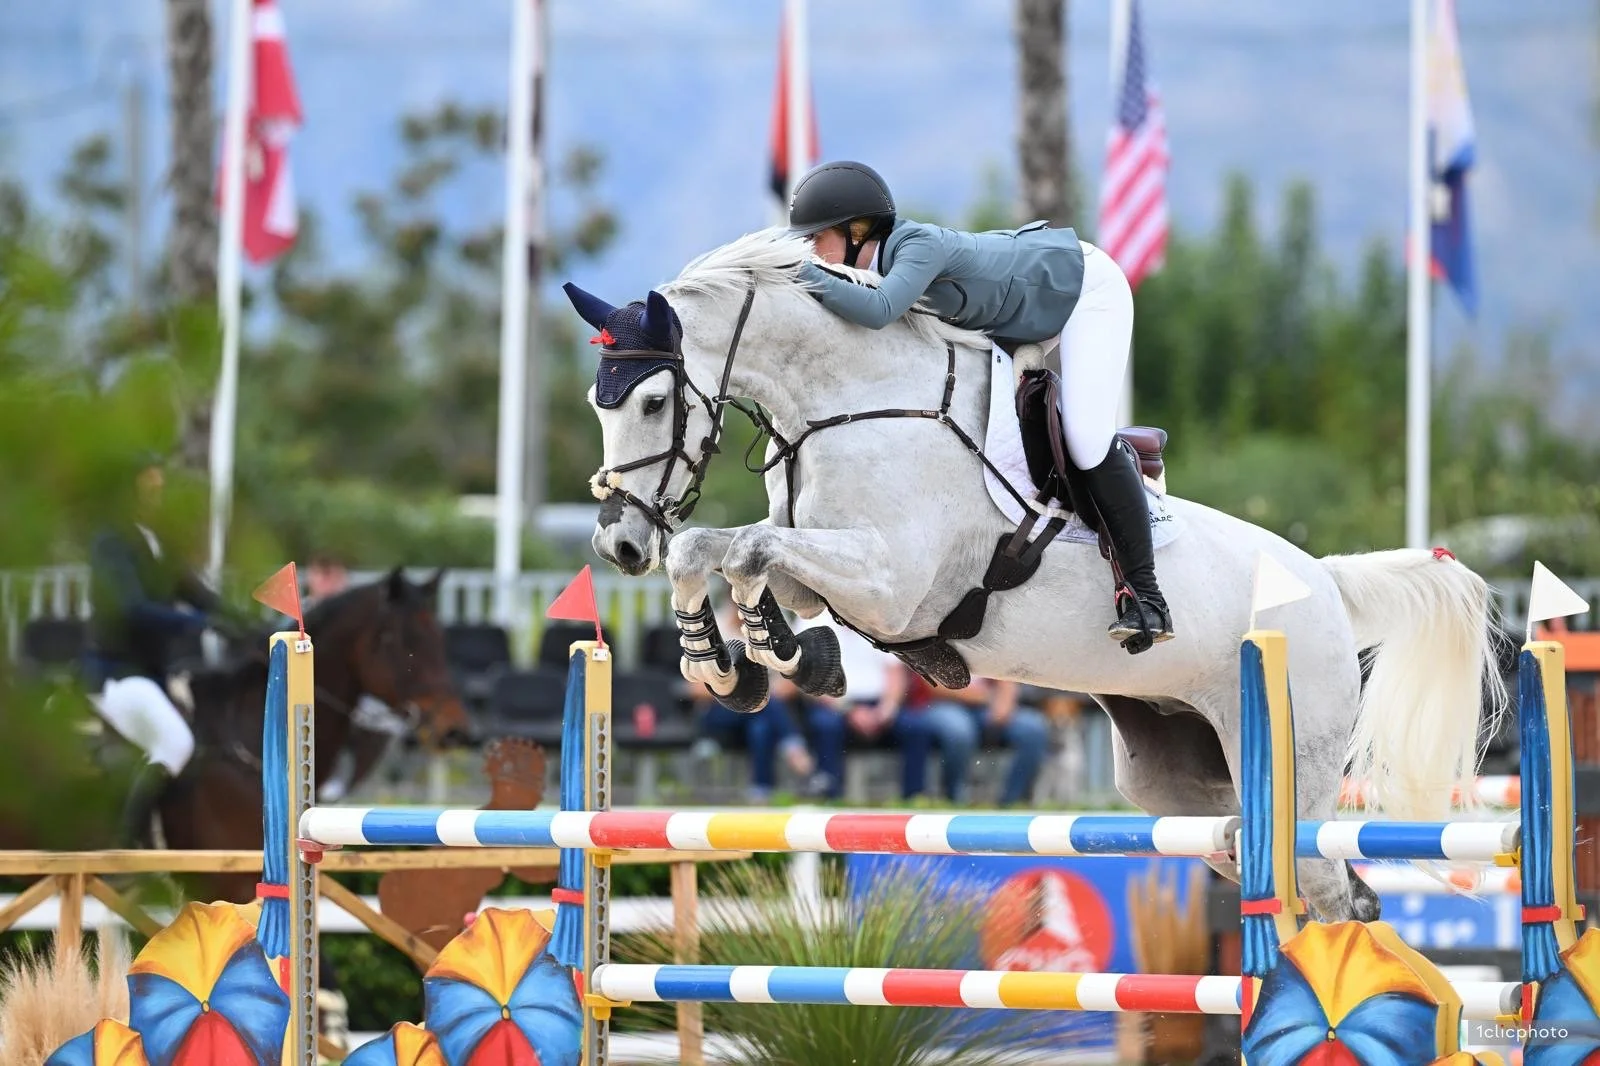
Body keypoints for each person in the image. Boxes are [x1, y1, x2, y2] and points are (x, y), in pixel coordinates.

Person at [787, 159, 1173, 654]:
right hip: (1017, 318)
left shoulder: (915, 246)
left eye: (815, 240)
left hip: (1084, 290)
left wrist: (792, 272)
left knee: (1084, 439)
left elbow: (880, 312)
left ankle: (1147, 596)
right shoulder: (878, 265)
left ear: (858, 231)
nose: (809, 253)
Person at [83, 455, 224, 848]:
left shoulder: (156, 542)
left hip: (154, 674)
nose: (157, 497)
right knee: (176, 744)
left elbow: (196, 593)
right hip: (116, 673)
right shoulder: (110, 541)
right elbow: (131, 609)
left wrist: (247, 618)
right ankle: (124, 845)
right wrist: (194, 623)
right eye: (150, 489)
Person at [921, 679, 1051, 807]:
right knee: (959, 732)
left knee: (1033, 728)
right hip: (947, 703)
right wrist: (982, 696)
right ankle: (954, 797)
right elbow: (932, 683)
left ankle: (1012, 801)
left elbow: (1006, 677)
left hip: (988, 705)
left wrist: (1004, 702)